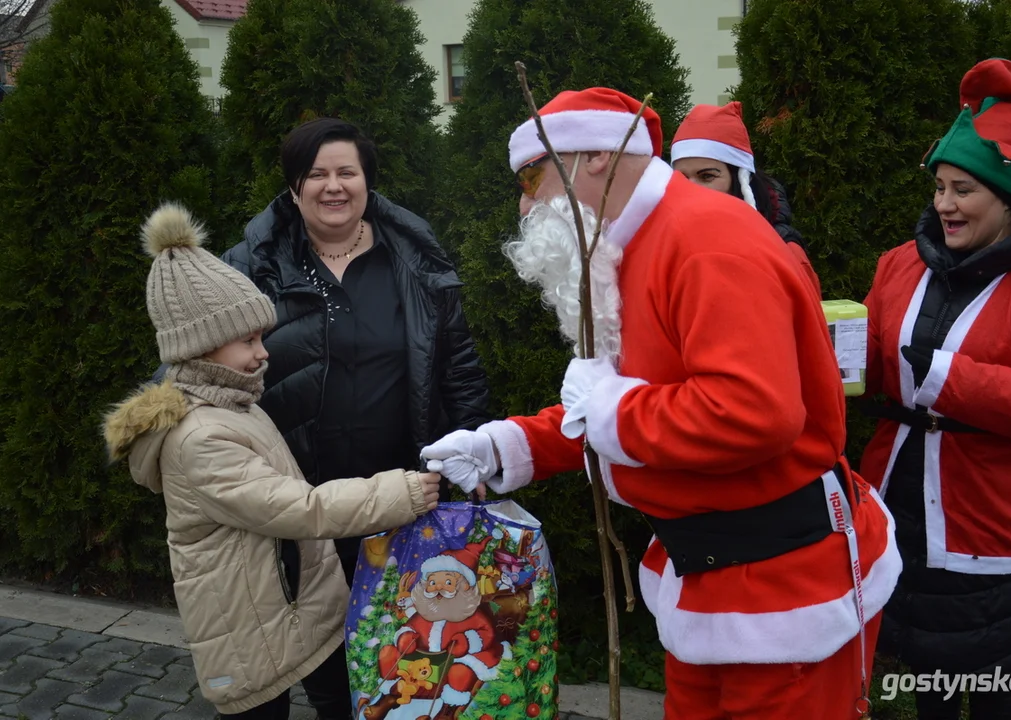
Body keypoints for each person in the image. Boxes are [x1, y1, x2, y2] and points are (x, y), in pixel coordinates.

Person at [421, 87, 901, 719]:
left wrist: (611, 412)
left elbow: (752, 412)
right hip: (705, 579)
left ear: (594, 157)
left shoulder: (706, 241)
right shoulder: (626, 247)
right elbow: (634, 403)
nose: (525, 201)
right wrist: (510, 445)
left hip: (784, 590)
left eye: (533, 175)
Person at [103, 204, 442, 719]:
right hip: (246, 626)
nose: (264, 353)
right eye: (248, 340)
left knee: (340, 698)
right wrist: (405, 493)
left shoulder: (234, 403)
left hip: (291, 604)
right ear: (200, 348)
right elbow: (299, 509)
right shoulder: (200, 438)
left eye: (262, 336)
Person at [859, 58, 1011, 720]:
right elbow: (873, 365)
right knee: (925, 683)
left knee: (991, 692)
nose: (942, 205)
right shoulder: (899, 263)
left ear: (1006, 199)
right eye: (937, 187)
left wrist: (940, 376)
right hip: (903, 509)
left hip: (997, 526)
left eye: (962, 190)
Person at [219, 117, 491, 584]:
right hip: (294, 506)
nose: (333, 187)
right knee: (312, 646)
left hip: (402, 499)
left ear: (367, 181)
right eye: (317, 174)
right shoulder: (247, 268)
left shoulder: (415, 261)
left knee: (398, 643)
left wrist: (476, 450)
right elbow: (198, 367)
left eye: (346, 172)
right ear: (293, 186)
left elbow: (458, 364)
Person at [670, 101, 822, 297]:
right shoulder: (670, 248)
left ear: (740, 181)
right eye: (682, 178)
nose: (692, 188)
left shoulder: (785, 252)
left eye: (707, 176)